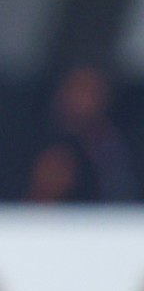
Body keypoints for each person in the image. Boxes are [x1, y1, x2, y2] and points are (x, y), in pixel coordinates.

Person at [27, 65, 139, 203]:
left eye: (92, 92)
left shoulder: (112, 139)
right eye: (79, 90)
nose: (84, 100)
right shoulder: (40, 138)